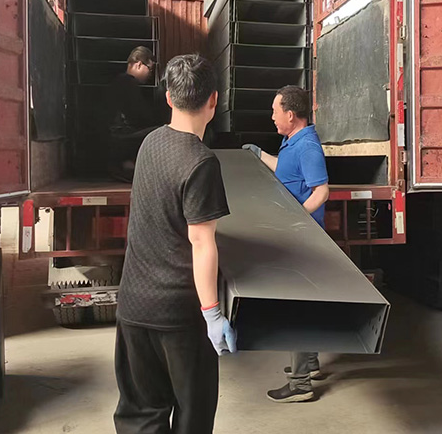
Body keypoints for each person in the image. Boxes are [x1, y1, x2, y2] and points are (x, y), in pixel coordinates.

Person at [114, 53, 237, 434]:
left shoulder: (150, 143)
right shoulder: (201, 162)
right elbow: (201, 242)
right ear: (214, 100)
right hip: (178, 317)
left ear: (168, 97)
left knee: (141, 415)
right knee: (192, 414)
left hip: (133, 307)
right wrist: (212, 314)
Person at [243, 85, 329, 404]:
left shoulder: (308, 147)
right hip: (297, 236)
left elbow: (321, 191)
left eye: (275, 111)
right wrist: (259, 155)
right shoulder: (293, 141)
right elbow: (286, 169)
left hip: (304, 239)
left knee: (297, 307)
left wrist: (298, 219)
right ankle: (310, 363)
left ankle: (301, 384)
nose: (272, 116)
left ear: (290, 115)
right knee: (304, 303)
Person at [106, 46, 160, 182]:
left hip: (115, 136)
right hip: (121, 136)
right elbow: (140, 114)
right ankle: (130, 166)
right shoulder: (128, 83)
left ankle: (126, 165)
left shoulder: (119, 81)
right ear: (139, 64)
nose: (150, 74)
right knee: (160, 132)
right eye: (150, 69)